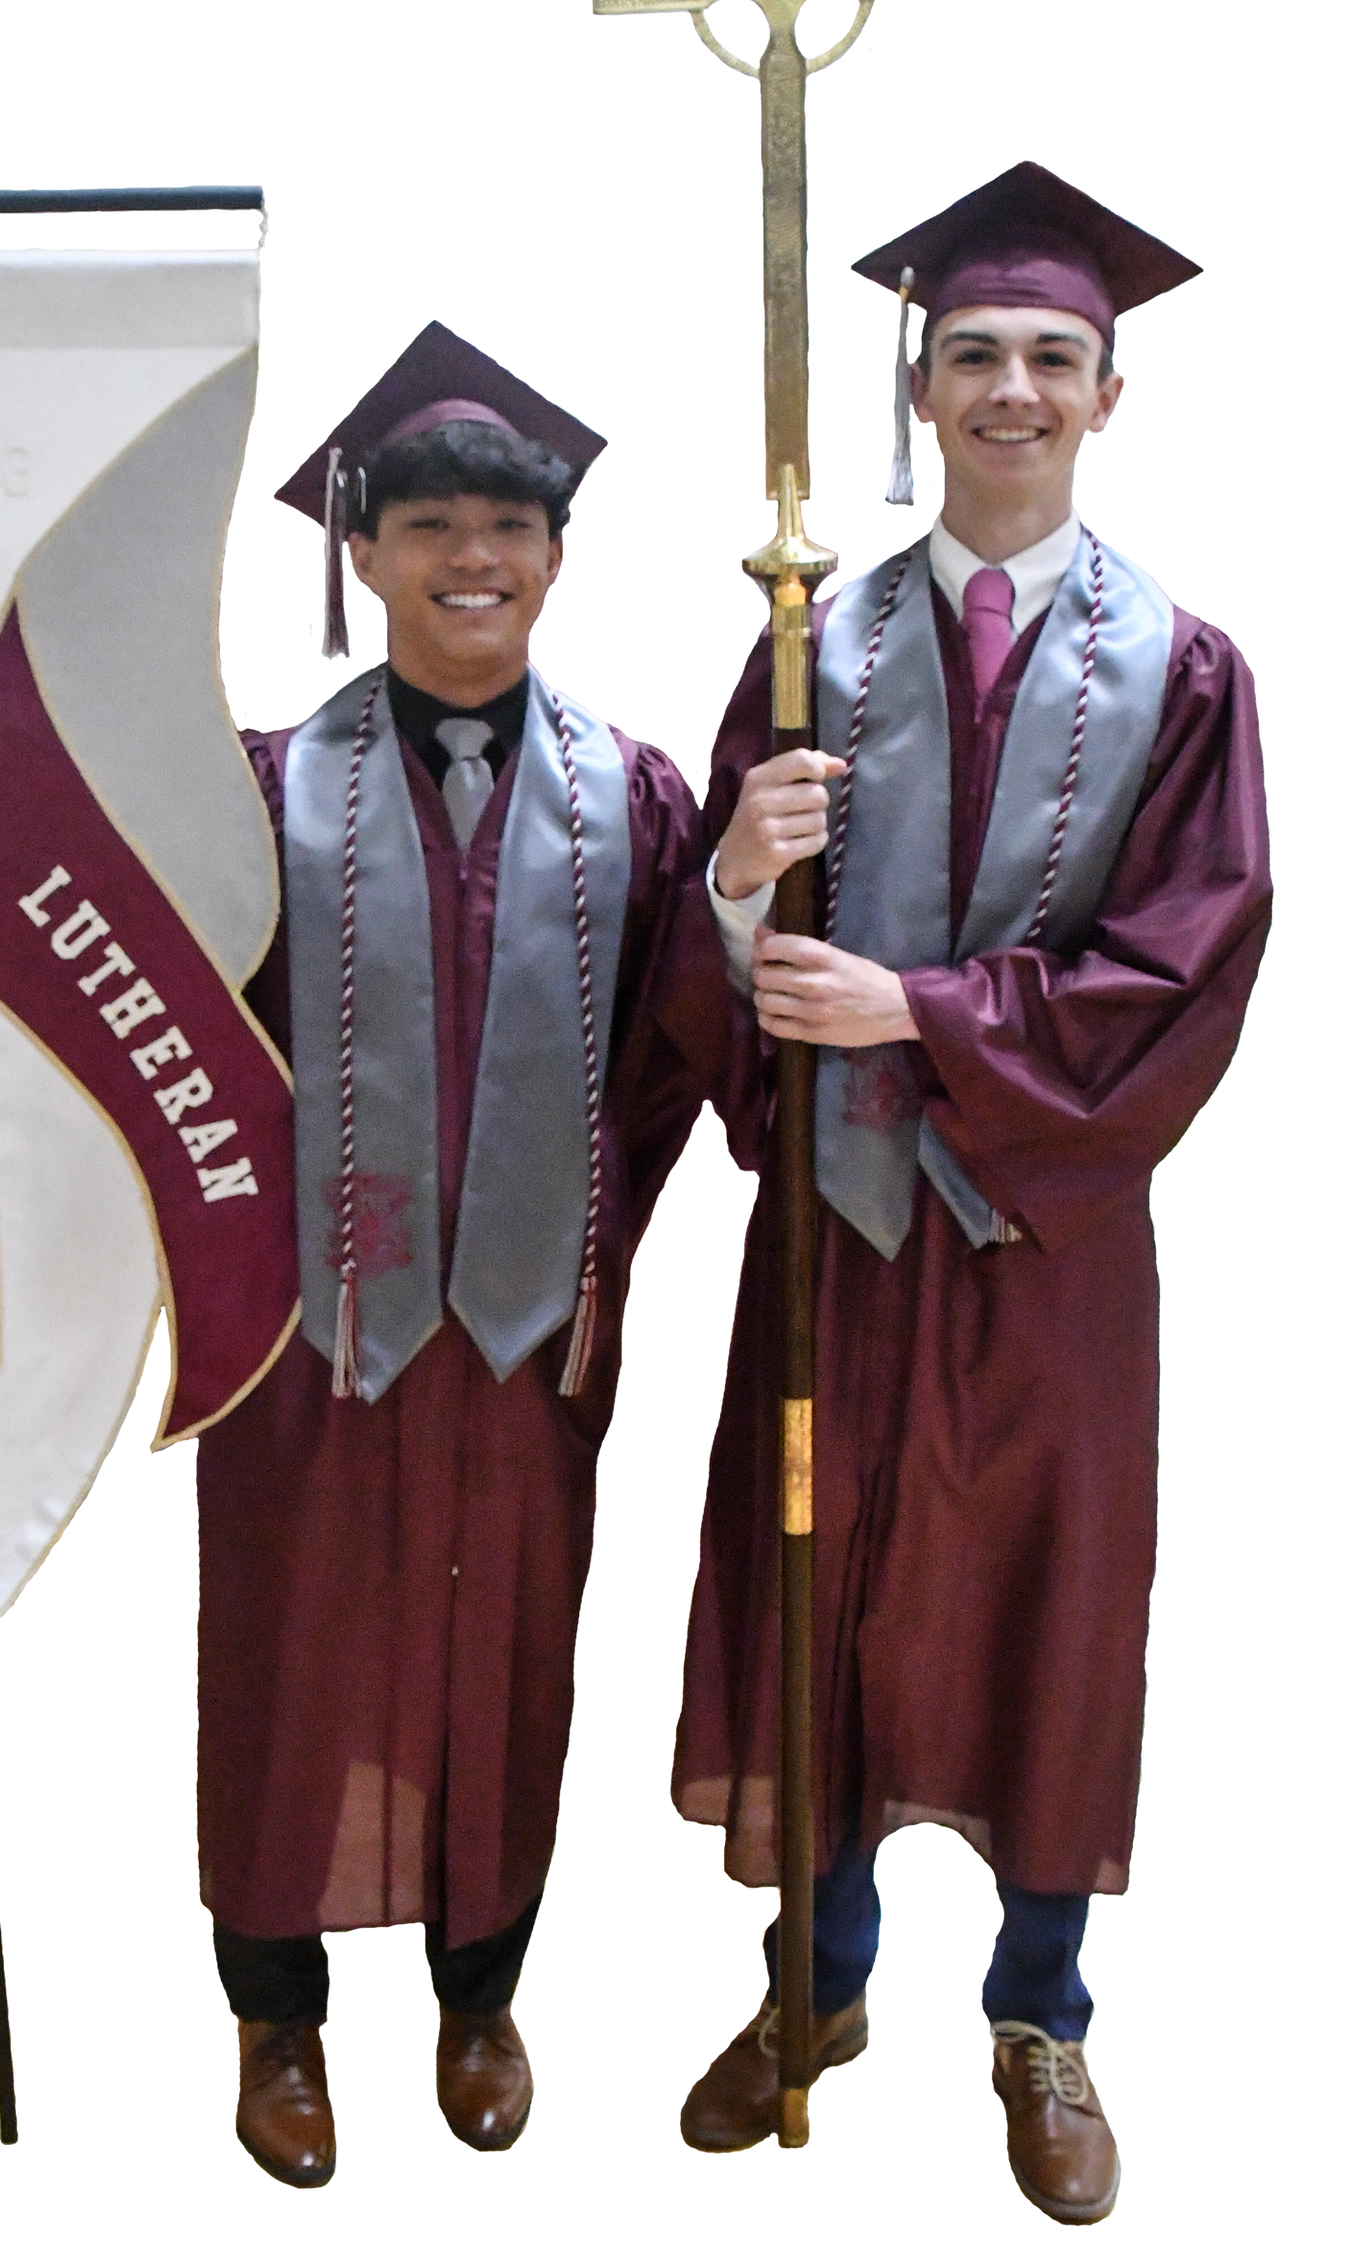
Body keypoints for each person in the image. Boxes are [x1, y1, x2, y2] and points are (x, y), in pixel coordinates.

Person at [666, 161, 1274, 2228]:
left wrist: (915, 1008)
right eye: (975, 354)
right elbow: (697, 980)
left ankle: (1038, 2014)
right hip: (838, 1236)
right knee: (819, 1582)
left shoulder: (1187, 668)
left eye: (1054, 358)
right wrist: (743, 869)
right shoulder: (804, 639)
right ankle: (820, 1990)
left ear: (1110, 396)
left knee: (1048, 1611)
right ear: (917, 387)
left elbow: (1189, 973)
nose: (1011, 386)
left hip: (1044, 1240)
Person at [199, 321, 722, 2189]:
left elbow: (677, 1055)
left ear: (562, 554)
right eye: (424, 522)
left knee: (511, 1650)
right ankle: (275, 2019)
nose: (469, 554)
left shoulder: (642, 796)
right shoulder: (251, 786)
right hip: (306, 1340)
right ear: (358, 553)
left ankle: (482, 1990)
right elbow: (166, 1054)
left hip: (524, 1326)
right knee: (291, 1656)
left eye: (507, 521)